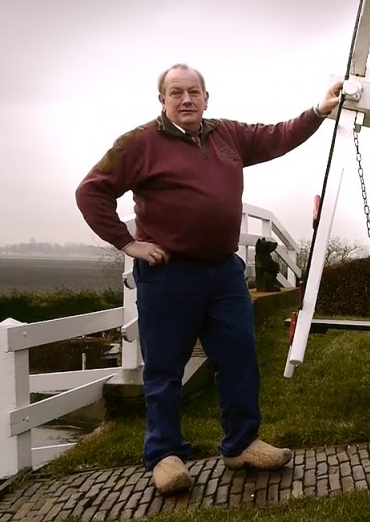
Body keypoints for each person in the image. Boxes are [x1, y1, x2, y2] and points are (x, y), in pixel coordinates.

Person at [76, 64, 342, 495]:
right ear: (161, 100)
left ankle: (242, 444)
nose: (186, 99)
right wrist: (127, 243)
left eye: (194, 91)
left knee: (239, 359)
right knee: (164, 370)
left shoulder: (228, 136)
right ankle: (165, 456)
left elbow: (278, 136)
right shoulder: (140, 143)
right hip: (167, 277)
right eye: (176, 92)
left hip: (223, 274)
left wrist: (319, 109)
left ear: (206, 97)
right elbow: (91, 191)